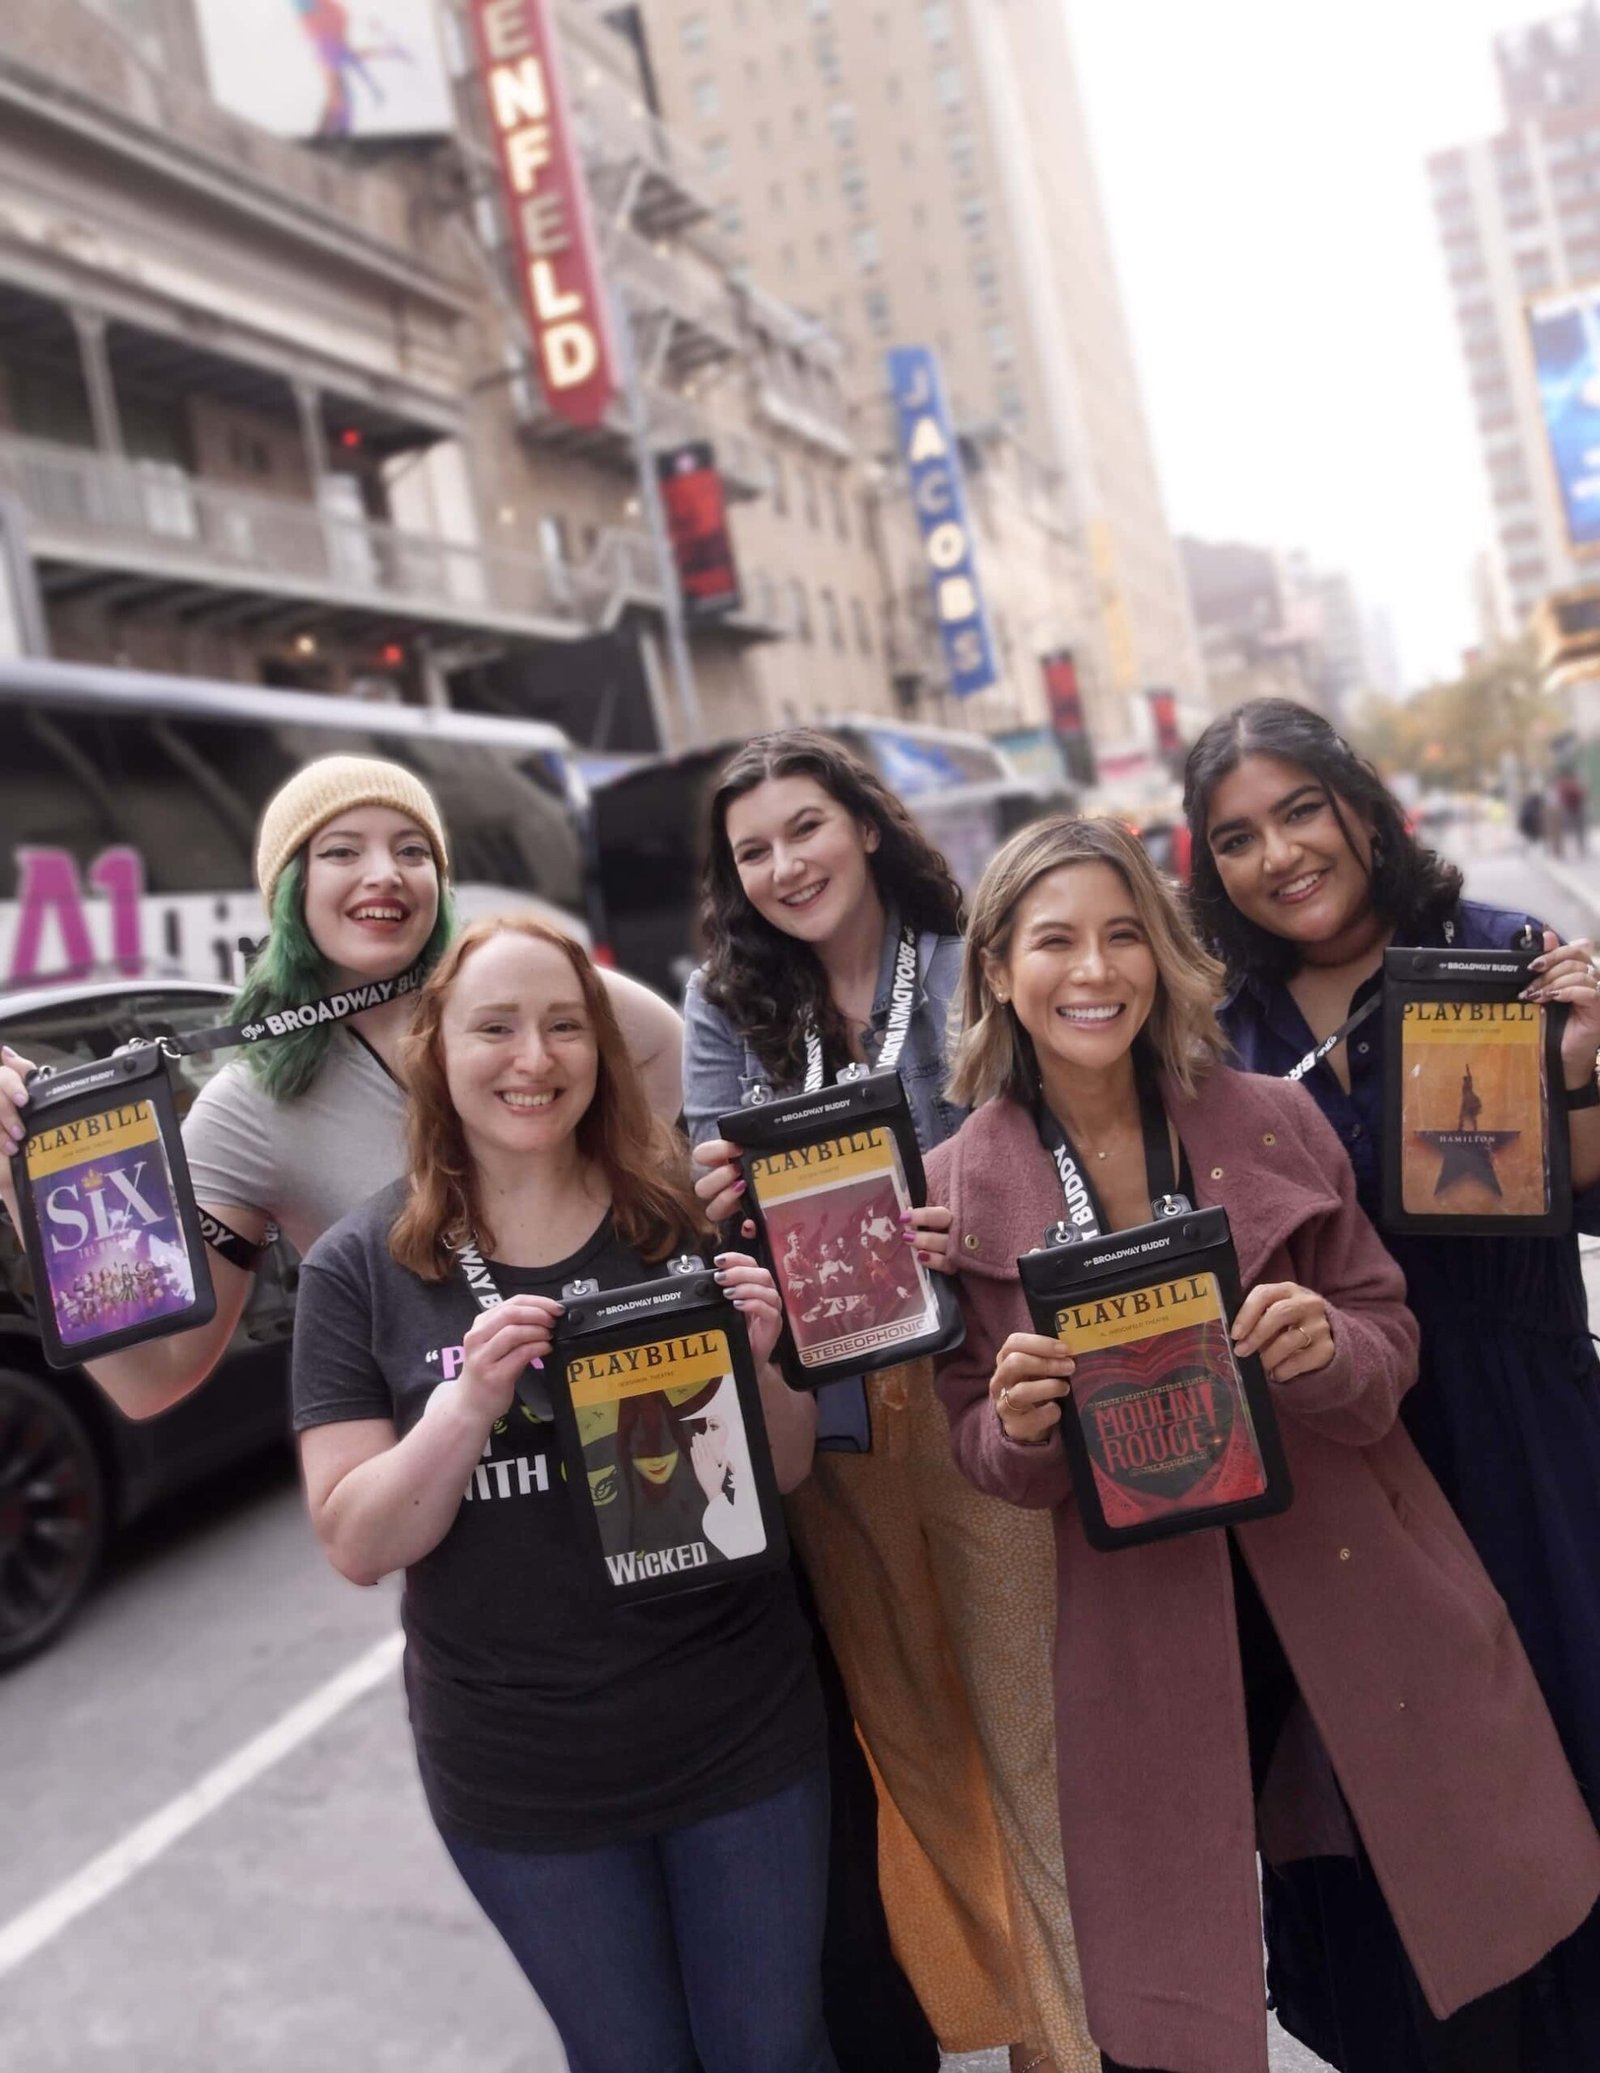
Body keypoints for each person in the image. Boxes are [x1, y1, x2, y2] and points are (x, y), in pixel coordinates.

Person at [928, 812, 1600, 2073]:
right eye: (1055, 941)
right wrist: (1015, 1426)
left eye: (1124, 935)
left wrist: (1328, 1344)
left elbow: (1385, 1338)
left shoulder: (1261, 1118)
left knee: (1460, 1970)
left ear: (1164, 956)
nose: (1093, 971)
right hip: (1158, 1639)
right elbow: (980, 1439)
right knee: (1278, 1986)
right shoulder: (959, 1185)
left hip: (1361, 1600)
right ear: (998, 972)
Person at [292, 912, 830, 2073]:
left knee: (772, 2053)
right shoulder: (361, 1265)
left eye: (562, 1027)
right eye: (495, 1028)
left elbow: (779, 1472)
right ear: (437, 1049)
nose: (532, 1060)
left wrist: (770, 1354)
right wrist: (462, 1411)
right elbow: (355, 1537)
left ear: (599, 1048)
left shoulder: (682, 1220)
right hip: (522, 1769)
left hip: (739, 1732)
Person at [1183, 697, 1600, 2070]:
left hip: (1519, 1435)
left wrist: (1587, 1079)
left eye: (1301, 808)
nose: (1280, 853)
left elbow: (1580, 1195)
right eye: (1237, 835)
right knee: (1402, 1830)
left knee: (1571, 1763)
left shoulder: (1502, 960)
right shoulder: (1214, 1039)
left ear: (1362, 806)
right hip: (1344, 1474)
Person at [682, 730, 1094, 2073]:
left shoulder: (975, 945)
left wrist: (962, 1224)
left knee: (1030, 1739)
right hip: (834, 1419)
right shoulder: (723, 1003)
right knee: (914, 1749)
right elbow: (711, 1186)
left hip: (981, 1382)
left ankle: (1072, 2043)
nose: (784, 865)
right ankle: (1019, 2010)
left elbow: (1070, 1138)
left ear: (864, 822)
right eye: (753, 850)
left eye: (804, 828)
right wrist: (716, 1206)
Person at [0, 754, 684, 1422]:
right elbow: (156, 1377)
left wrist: (606, 1189)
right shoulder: (249, 1108)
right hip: (450, 1470)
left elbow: (661, 1048)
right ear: (289, 888)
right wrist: (30, 1198)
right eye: (341, 851)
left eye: (413, 850)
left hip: (630, 1403)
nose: (384, 874)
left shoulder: (525, 992)